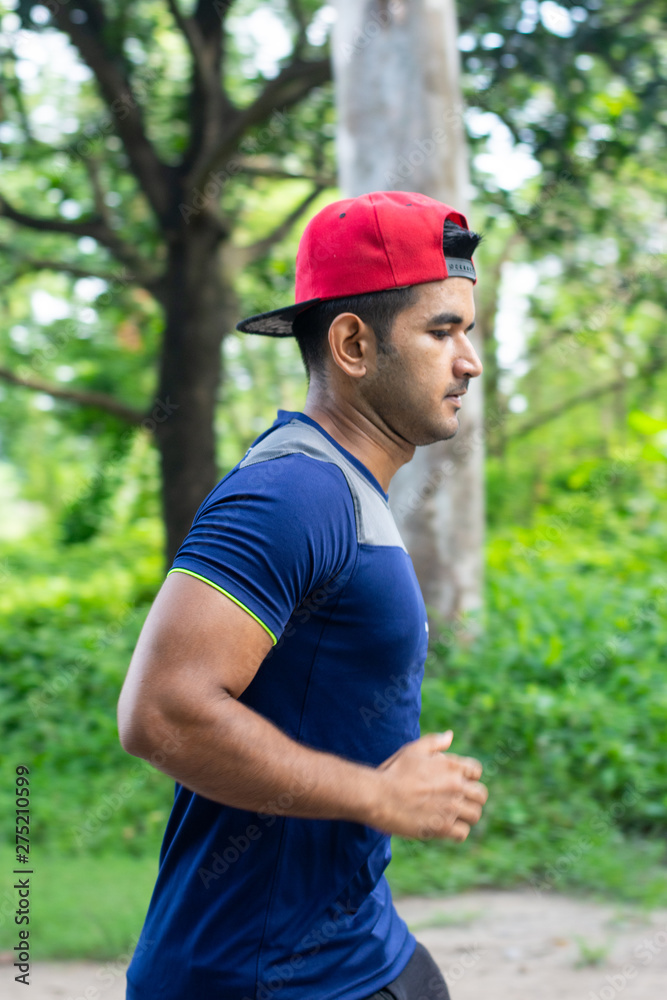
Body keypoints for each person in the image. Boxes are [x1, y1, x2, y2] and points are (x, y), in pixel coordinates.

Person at [118, 190, 488, 1000]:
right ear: (353, 343)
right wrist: (377, 795)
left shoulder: (347, 488)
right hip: (256, 978)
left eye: (468, 328)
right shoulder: (293, 493)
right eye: (441, 331)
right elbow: (161, 713)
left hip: (356, 949)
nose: (470, 360)